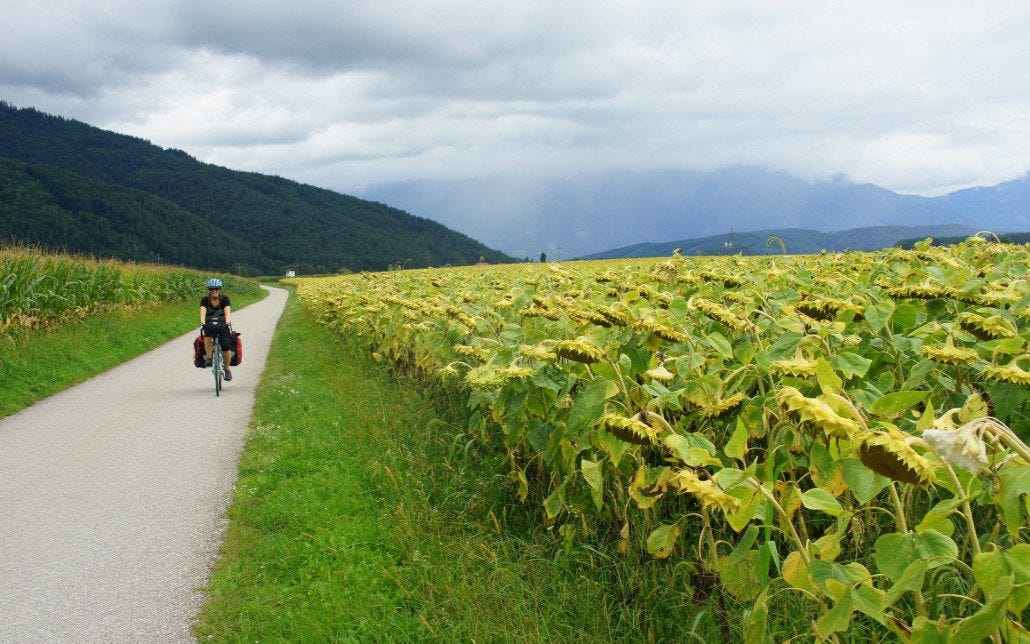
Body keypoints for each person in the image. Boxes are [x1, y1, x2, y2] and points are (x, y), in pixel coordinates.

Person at [200, 278, 234, 381]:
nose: (214, 291)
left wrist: (227, 322)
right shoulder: (205, 300)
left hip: (222, 326)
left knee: (226, 346)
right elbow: (202, 312)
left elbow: (227, 312)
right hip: (210, 325)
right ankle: (209, 358)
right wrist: (202, 323)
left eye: (216, 289)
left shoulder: (225, 299)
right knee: (207, 336)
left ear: (220, 289)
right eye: (212, 289)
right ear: (209, 290)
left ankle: (227, 369)